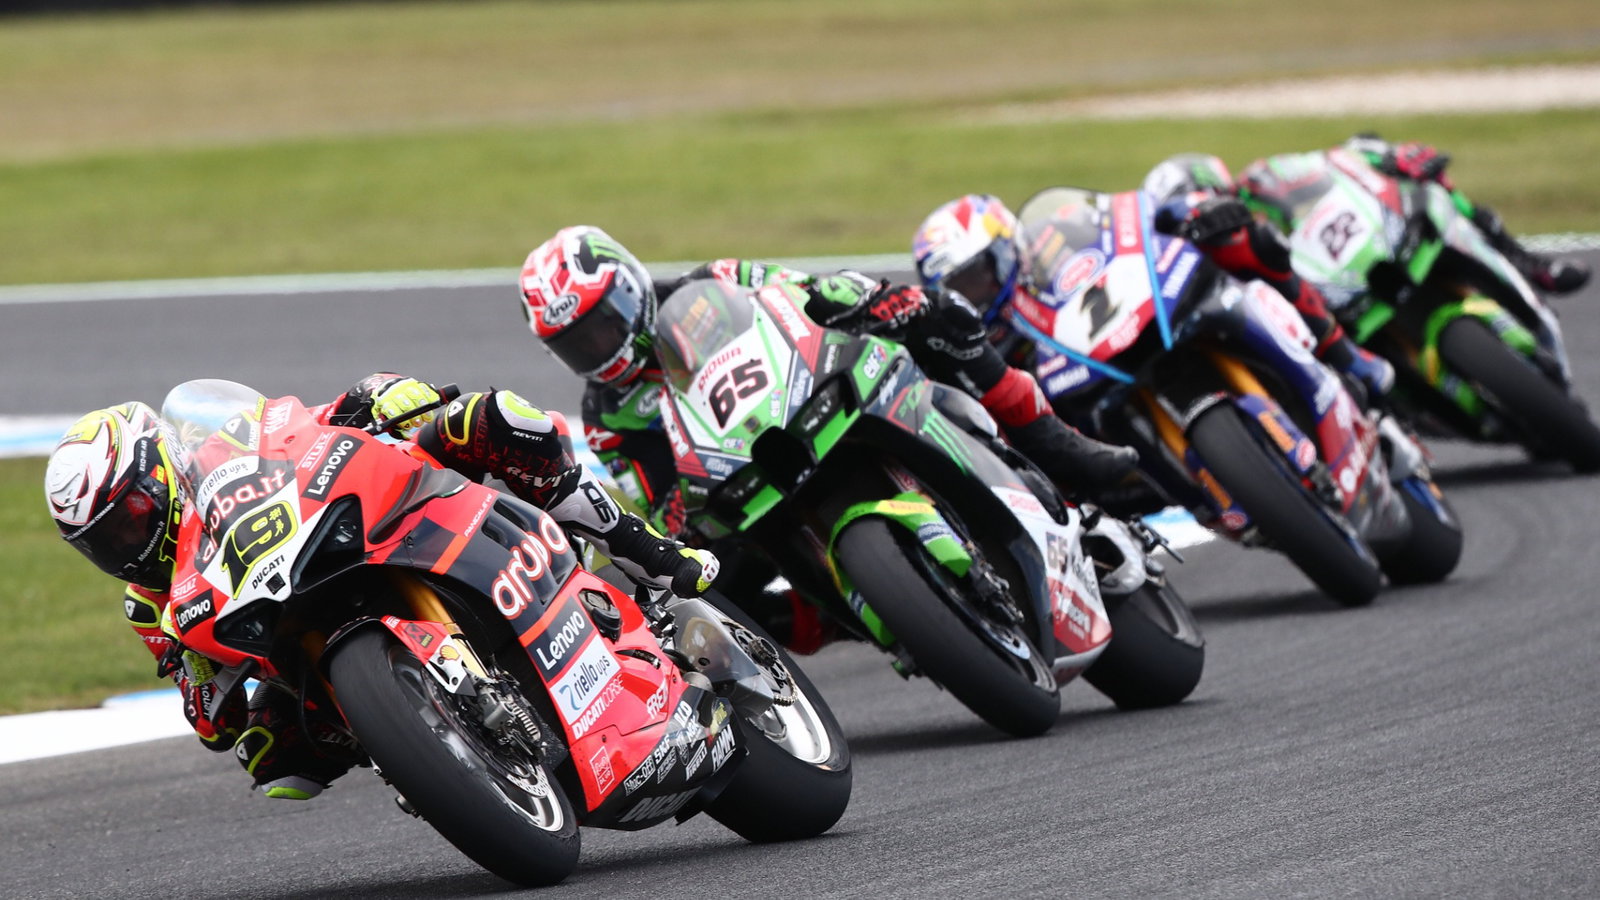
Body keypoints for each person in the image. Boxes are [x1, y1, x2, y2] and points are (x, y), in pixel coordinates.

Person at [44, 374, 719, 801]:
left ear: (160, 471)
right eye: (105, 543)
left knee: (493, 419)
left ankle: (645, 554)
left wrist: (380, 394)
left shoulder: (225, 447)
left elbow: (309, 420)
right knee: (270, 754)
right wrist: (202, 680)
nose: (126, 545)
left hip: (368, 528)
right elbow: (210, 719)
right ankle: (436, 753)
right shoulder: (150, 604)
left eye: (130, 516)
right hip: (293, 636)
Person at [518, 226, 1137, 651]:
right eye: (575, 345)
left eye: (600, 328)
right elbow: (647, 501)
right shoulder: (607, 415)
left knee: (943, 321)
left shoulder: (710, 282)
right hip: (748, 487)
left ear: (627, 291)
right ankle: (865, 615)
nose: (595, 350)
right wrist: (678, 517)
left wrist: (864, 301)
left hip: (817, 397)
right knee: (699, 603)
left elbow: (800, 292)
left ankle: (1053, 444)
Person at [1131, 159, 1397, 400]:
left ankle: (1347, 358)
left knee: (1263, 244)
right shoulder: (1153, 248)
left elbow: (1319, 172)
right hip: (1187, 308)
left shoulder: (1255, 189)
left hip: (1312, 283)